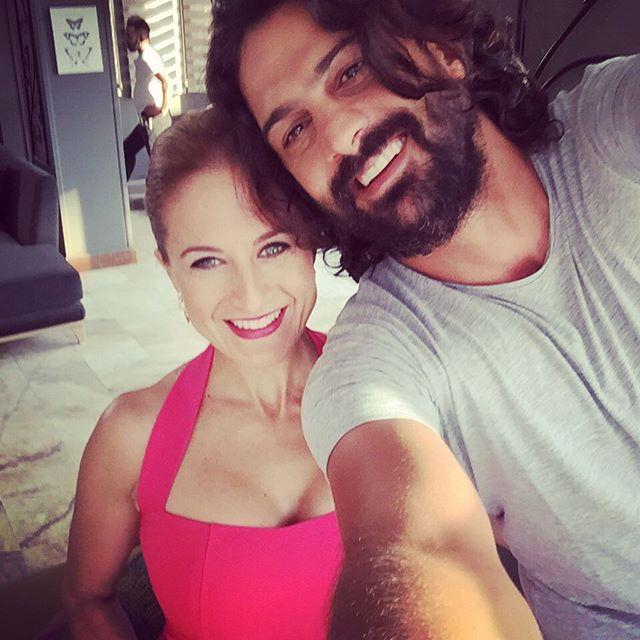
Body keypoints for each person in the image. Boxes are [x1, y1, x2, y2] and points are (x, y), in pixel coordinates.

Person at [206, 1, 640, 638]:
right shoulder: (373, 360)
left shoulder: (615, 131)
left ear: (443, 48)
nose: (340, 137)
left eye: (351, 70)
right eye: (295, 131)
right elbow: (415, 553)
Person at [63, 108, 342, 640]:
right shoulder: (131, 435)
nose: (251, 296)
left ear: (311, 241)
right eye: (207, 262)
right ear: (170, 270)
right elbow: (87, 598)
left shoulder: (387, 384)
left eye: (274, 246)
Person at [123, 16, 172, 181]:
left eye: (130, 35)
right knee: (127, 150)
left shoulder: (148, 57)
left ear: (140, 36)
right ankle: (121, 187)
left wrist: (163, 111)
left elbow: (166, 82)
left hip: (155, 122)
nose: (127, 39)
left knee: (161, 165)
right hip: (144, 122)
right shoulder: (142, 57)